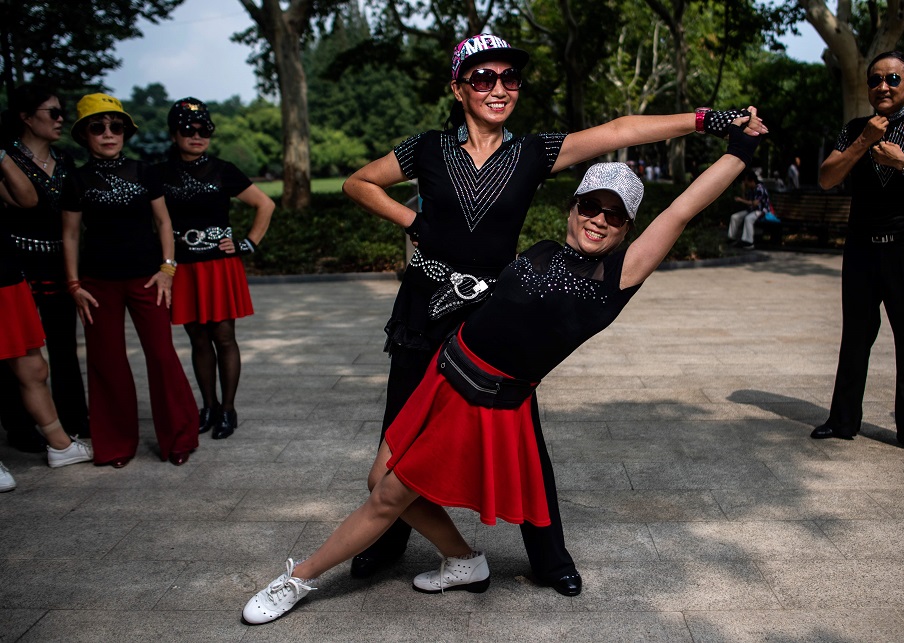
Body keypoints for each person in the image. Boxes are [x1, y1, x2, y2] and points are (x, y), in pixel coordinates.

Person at [242, 115, 763, 625]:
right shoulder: (540, 250)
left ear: (628, 228)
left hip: (481, 400)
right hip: (440, 375)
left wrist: (738, 149)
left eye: (615, 215)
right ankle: (465, 560)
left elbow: (681, 209)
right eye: (590, 205)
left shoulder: (617, 277)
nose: (599, 220)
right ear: (572, 206)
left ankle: (298, 579)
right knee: (378, 475)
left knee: (388, 497)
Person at [342, 32, 765, 595]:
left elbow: (618, 131)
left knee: (527, 441)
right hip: (425, 310)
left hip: (493, 318)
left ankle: (548, 556)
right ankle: (388, 537)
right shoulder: (426, 150)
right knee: (398, 428)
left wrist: (708, 119)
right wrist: (414, 223)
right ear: (458, 89)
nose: (498, 88)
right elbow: (359, 182)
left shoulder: (530, 153)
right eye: (483, 77)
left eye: (509, 78)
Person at [810, 51, 904, 460]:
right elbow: (826, 178)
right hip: (861, 248)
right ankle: (842, 420)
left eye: (893, 79)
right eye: (875, 79)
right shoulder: (856, 129)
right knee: (855, 338)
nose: (883, 86)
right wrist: (863, 142)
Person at [61, 93, 199, 468]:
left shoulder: (144, 172)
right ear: (84, 135)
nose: (108, 133)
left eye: (116, 126)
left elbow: (164, 223)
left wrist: (168, 269)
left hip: (147, 279)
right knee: (106, 362)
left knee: (161, 355)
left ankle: (179, 438)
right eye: (98, 127)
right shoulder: (76, 180)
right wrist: (73, 285)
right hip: (97, 284)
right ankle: (116, 444)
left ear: (125, 132)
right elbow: (71, 235)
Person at [155, 98, 273, 440]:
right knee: (198, 337)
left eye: (204, 129)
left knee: (224, 336)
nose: (197, 135)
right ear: (173, 133)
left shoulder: (223, 169)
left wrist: (247, 243)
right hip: (184, 267)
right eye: (188, 129)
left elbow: (265, 204)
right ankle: (207, 405)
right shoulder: (159, 173)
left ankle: (228, 409)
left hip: (220, 266)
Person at [0, 85, 89, 453]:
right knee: (17, 350)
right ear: (25, 116)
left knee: (64, 346)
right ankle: (21, 427)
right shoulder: (10, 160)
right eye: (51, 112)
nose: (60, 119)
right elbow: (23, 202)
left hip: (58, 264)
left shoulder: (65, 160)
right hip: (16, 266)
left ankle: (72, 422)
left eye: (60, 112)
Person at [726, 171, 771, 248]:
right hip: (752, 210)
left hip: (761, 211)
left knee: (748, 218)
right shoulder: (751, 189)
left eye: (747, 181)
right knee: (735, 217)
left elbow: (755, 203)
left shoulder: (760, 188)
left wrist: (741, 200)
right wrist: (743, 191)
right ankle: (731, 238)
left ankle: (748, 241)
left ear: (752, 181)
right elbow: (747, 201)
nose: (745, 183)